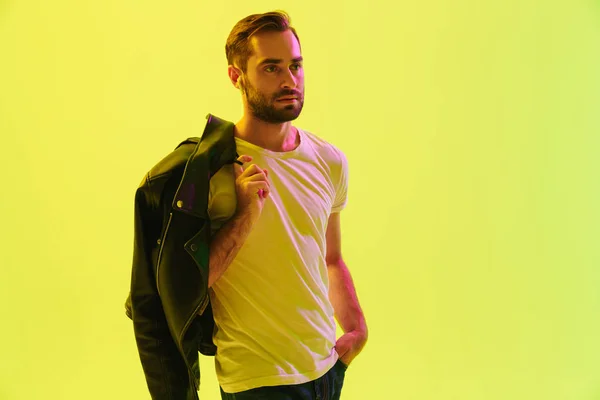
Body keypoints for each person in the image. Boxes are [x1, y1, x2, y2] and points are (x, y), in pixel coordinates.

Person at [208, 10, 368, 400]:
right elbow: (187, 285)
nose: (288, 80)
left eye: (295, 66)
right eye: (271, 68)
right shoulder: (212, 167)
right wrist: (246, 212)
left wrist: (357, 329)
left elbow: (330, 258)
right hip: (257, 380)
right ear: (236, 76)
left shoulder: (329, 161)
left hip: (324, 370)